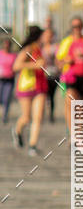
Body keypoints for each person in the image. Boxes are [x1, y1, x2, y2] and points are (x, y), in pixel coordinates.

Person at [56, 16, 83, 133]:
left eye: (79, 26)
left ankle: (79, 132)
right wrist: (67, 60)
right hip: (71, 77)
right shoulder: (66, 42)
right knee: (71, 103)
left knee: (82, 109)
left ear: (82, 27)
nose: (77, 29)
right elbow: (58, 62)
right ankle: (73, 136)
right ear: (71, 28)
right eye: (74, 27)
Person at [12, 25, 47, 156]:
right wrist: (35, 65)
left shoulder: (40, 49)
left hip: (40, 86)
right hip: (26, 86)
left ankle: (33, 146)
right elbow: (16, 66)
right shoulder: (28, 49)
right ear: (38, 36)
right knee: (26, 118)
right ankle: (17, 131)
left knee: (38, 117)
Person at [41, 16, 59, 122]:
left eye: (49, 35)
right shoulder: (40, 47)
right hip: (43, 75)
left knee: (51, 96)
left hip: (54, 74)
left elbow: (58, 59)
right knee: (43, 95)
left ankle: (51, 115)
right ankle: (41, 114)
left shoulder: (55, 47)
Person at [0, 36, 16, 124]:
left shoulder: (13, 55)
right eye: (5, 44)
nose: (6, 46)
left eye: (8, 45)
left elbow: (16, 67)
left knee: (6, 98)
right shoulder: (0, 54)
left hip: (9, 79)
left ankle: (4, 116)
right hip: (1, 79)